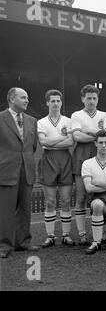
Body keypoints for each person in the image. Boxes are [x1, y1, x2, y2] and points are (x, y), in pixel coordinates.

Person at [71, 84, 106, 245]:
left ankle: (102, 233)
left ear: (98, 99)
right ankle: (82, 234)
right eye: (88, 98)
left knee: (102, 195)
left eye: (94, 98)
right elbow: (77, 137)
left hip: (101, 156)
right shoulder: (76, 115)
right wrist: (97, 135)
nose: (91, 101)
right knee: (81, 196)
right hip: (81, 156)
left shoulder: (105, 115)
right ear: (83, 99)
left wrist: (88, 132)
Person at [0, 87, 39, 258]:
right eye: (23, 97)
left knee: (25, 209)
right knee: (5, 210)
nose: (27, 100)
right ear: (11, 99)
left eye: (28, 97)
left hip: (27, 169)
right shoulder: (0, 119)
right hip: (6, 170)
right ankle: (4, 246)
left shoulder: (32, 120)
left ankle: (23, 242)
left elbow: (33, 146)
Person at [37, 90, 75, 248]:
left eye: (58, 101)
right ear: (47, 103)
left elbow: (71, 142)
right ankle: (50, 236)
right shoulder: (41, 122)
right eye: (52, 101)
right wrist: (62, 138)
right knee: (50, 201)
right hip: (48, 160)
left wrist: (51, 141)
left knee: (66, 200)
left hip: (65, 159)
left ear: (61, 103)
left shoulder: (68, 120)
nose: (55, 104)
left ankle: (66, 235)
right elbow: (42, 143)